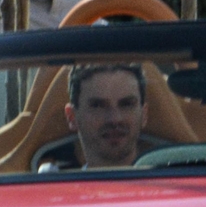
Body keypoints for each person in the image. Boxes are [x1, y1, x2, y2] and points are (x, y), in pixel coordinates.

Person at [34, 63, 164, 170]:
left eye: (126, 104)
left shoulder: (173, 191)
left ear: (144, 114)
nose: (115, 119)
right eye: (98, 106)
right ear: (72, 117)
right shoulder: (53, 190)